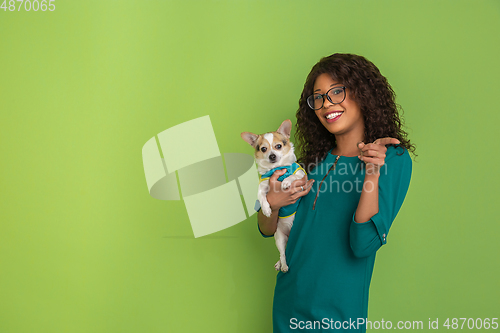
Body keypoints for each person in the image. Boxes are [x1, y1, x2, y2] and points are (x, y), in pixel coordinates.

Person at [257, 53, 416, 332]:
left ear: (362, 92)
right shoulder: (308, 164)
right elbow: (267, 229)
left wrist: (371, 173)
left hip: (338, 315)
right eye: (318, 97)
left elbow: (363, 245)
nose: (326, 103)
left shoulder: (392, 160)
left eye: (337, 91)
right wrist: (271, 201)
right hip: (288, 305)